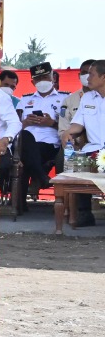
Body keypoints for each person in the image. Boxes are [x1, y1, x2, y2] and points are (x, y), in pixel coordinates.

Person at [62, 59, 105, 225]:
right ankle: (84, 213)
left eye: (92, 74)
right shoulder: (87, 98)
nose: (88, 78)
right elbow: (77, 124)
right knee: (74, 164)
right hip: (94, 150)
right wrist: (67, 132)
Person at [15, 61, 66, 195]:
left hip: (50, 144)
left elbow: (70, 125)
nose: (41, 81)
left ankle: (38, 178)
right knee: (25, 138)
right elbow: (14, 125)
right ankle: (41, 176)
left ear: (53, 78)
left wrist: (52, 123)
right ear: (33, 82)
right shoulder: (25, 100)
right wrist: (26, 122)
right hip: (25, 142)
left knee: (28, 153)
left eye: (45, 77)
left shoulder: (65, 98)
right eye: (38, 79)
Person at [58, 59, 95, 143]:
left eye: (90, 73)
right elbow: (63, 131)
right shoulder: (69, 100)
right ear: (79, 75)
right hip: (77, 148)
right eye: (84, 72)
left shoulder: (101, 97)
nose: (87, 76)